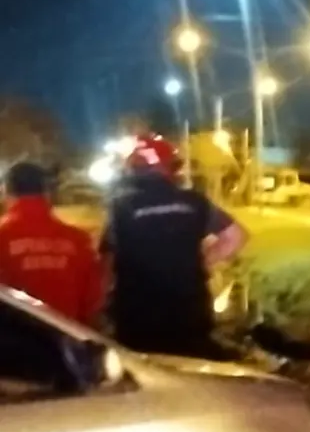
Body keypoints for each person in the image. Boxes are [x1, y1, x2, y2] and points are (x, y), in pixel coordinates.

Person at [100, 132, 248, 358]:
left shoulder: (121, 207)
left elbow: (107, 263)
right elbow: (236, 236)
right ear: (170, 167)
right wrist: (204, 261)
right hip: (189, 313)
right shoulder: (195, 202)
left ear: (133, 169)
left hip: (138, 318)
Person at [0, 162, 103, 325]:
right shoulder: (78, 240)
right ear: (47, 194)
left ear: (5, 191)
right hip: (66, 343)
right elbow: (93, 302)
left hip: (11, 345)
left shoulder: (3, 237)